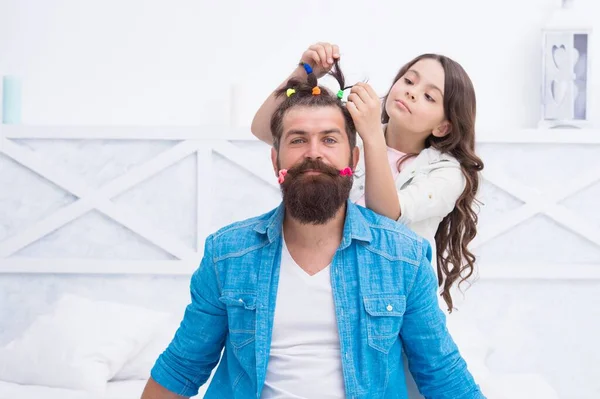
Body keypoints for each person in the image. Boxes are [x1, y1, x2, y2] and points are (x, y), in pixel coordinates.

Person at [140, 62, 485, 399]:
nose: (314, 153)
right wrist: (303, 70)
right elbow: (183, 366)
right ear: (276, 161)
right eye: (298, 140)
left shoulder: (405, 257)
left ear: (354, 160)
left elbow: (443, 374)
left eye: (330, 140)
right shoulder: (228, 254)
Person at [251, 43, 484, 313]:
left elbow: (388, 216)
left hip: (392, 300)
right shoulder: (359, 134)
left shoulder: (446, 172)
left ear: (443, 126)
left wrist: (372, 134)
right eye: (409, 80)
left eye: (429, 97)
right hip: (333, 283)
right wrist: (304, 72)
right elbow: (264, 130)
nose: (411, 92)